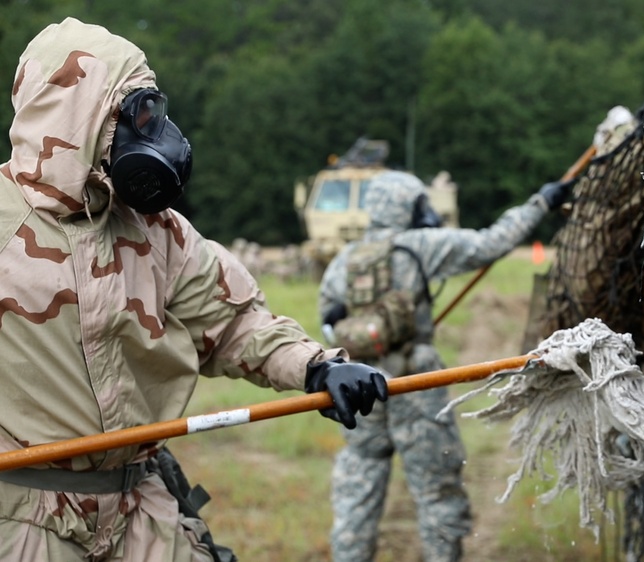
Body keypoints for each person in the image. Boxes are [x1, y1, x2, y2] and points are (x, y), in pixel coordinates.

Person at [0, 17, 387, 562]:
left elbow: (233, 323)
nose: (151, 130)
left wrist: (316, 366)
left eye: (152, 111)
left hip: (138, 508)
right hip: (24, 521)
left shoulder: (156, 231)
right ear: (77, 114)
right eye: (134, 112)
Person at [318, 169, 575, 561]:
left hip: (359, 386)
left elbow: (328, 324)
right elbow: (493, 242)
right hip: (414, 382)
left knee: (359, 481)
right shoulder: (423, 245)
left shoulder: (343, 261)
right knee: (436, 488)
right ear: (409, 206)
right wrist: (540, 203)